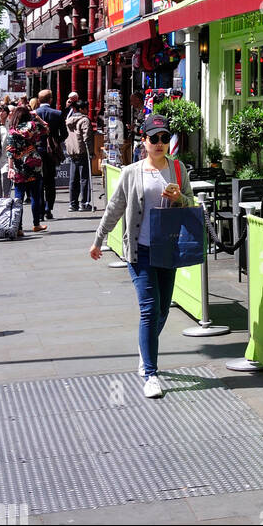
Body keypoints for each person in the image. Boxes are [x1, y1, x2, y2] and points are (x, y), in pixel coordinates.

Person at [89, 114, 194, 398]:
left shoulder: (177, 168)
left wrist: (179, 200)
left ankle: (144, 348)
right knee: (149, 309)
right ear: (144, 141)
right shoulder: (131, 172)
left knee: (162, 310)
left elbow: (191, 202)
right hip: (140, 250)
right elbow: (114, 207)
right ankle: (150, 373)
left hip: (167, 249)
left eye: (164, 138)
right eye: (154, 138)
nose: (160, 144)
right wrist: (99, 239)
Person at [6, 104, 48, 233]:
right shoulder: (33, 126)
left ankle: (18, 228)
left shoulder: (12, 132)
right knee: (36, 195)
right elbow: (46, 129)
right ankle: (36, 224)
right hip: (33, 163)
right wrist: (38, 118)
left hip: (19, 166)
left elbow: (10, 152)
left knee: (18, 197)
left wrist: (10, 168)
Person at [37, 89, 67, 220]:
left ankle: (40, 208)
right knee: (50, 181)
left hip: (36, 151)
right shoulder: (57, 113)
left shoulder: (34, 114)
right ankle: (48, 208)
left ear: (39, 100)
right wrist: (56, 141)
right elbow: (64, 134)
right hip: (51, 152)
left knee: (39, 181)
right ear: (50, 100)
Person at [65, 98, 94, 211]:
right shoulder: (84, 120)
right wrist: (91, 152)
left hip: (72, 152)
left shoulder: (69, 120)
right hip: (82, 152)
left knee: (73, 179)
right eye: (86, 108)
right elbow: (87, 138)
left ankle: (73, 203)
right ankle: (85, 203)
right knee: (84, 178)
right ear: (81, 109)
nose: (87, 110)